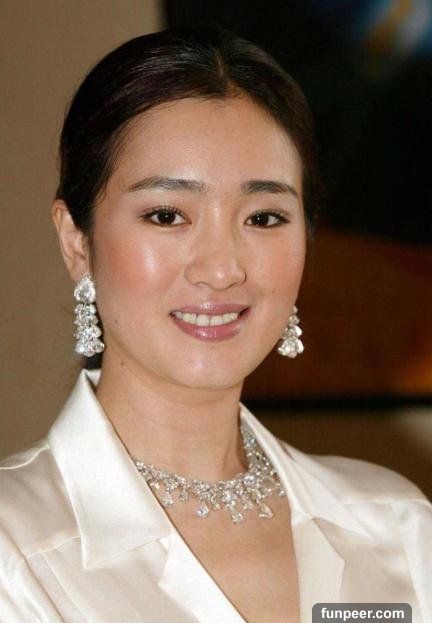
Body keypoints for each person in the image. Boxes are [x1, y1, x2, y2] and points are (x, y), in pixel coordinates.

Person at [0, 26, 431, 623]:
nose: (223, 269)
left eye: (264, 217)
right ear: (77, 241)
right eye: (167, 215)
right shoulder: (16, 549)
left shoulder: (397, 527)